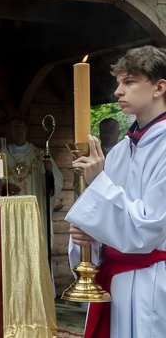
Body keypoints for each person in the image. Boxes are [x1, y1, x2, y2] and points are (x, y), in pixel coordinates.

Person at [66, 45, 166, 337]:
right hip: (116, 280)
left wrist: (98, 183)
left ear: (160, 86)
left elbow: (148, 229)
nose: (117, 92)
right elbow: (106, 219)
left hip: (153, 282)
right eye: (118, 83)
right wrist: (87, 236)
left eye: (129, 82)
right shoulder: (121, 150)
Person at [5, 118, 64, 247]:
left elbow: (57, 181)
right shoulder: (1, 156)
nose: (17, 130)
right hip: (9, 214)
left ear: (26, 129)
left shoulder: (40, 155)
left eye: (20, 126)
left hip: (35, 213)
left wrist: (49, 173)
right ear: (9, 132)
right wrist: (2, 188)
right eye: (13, 128)